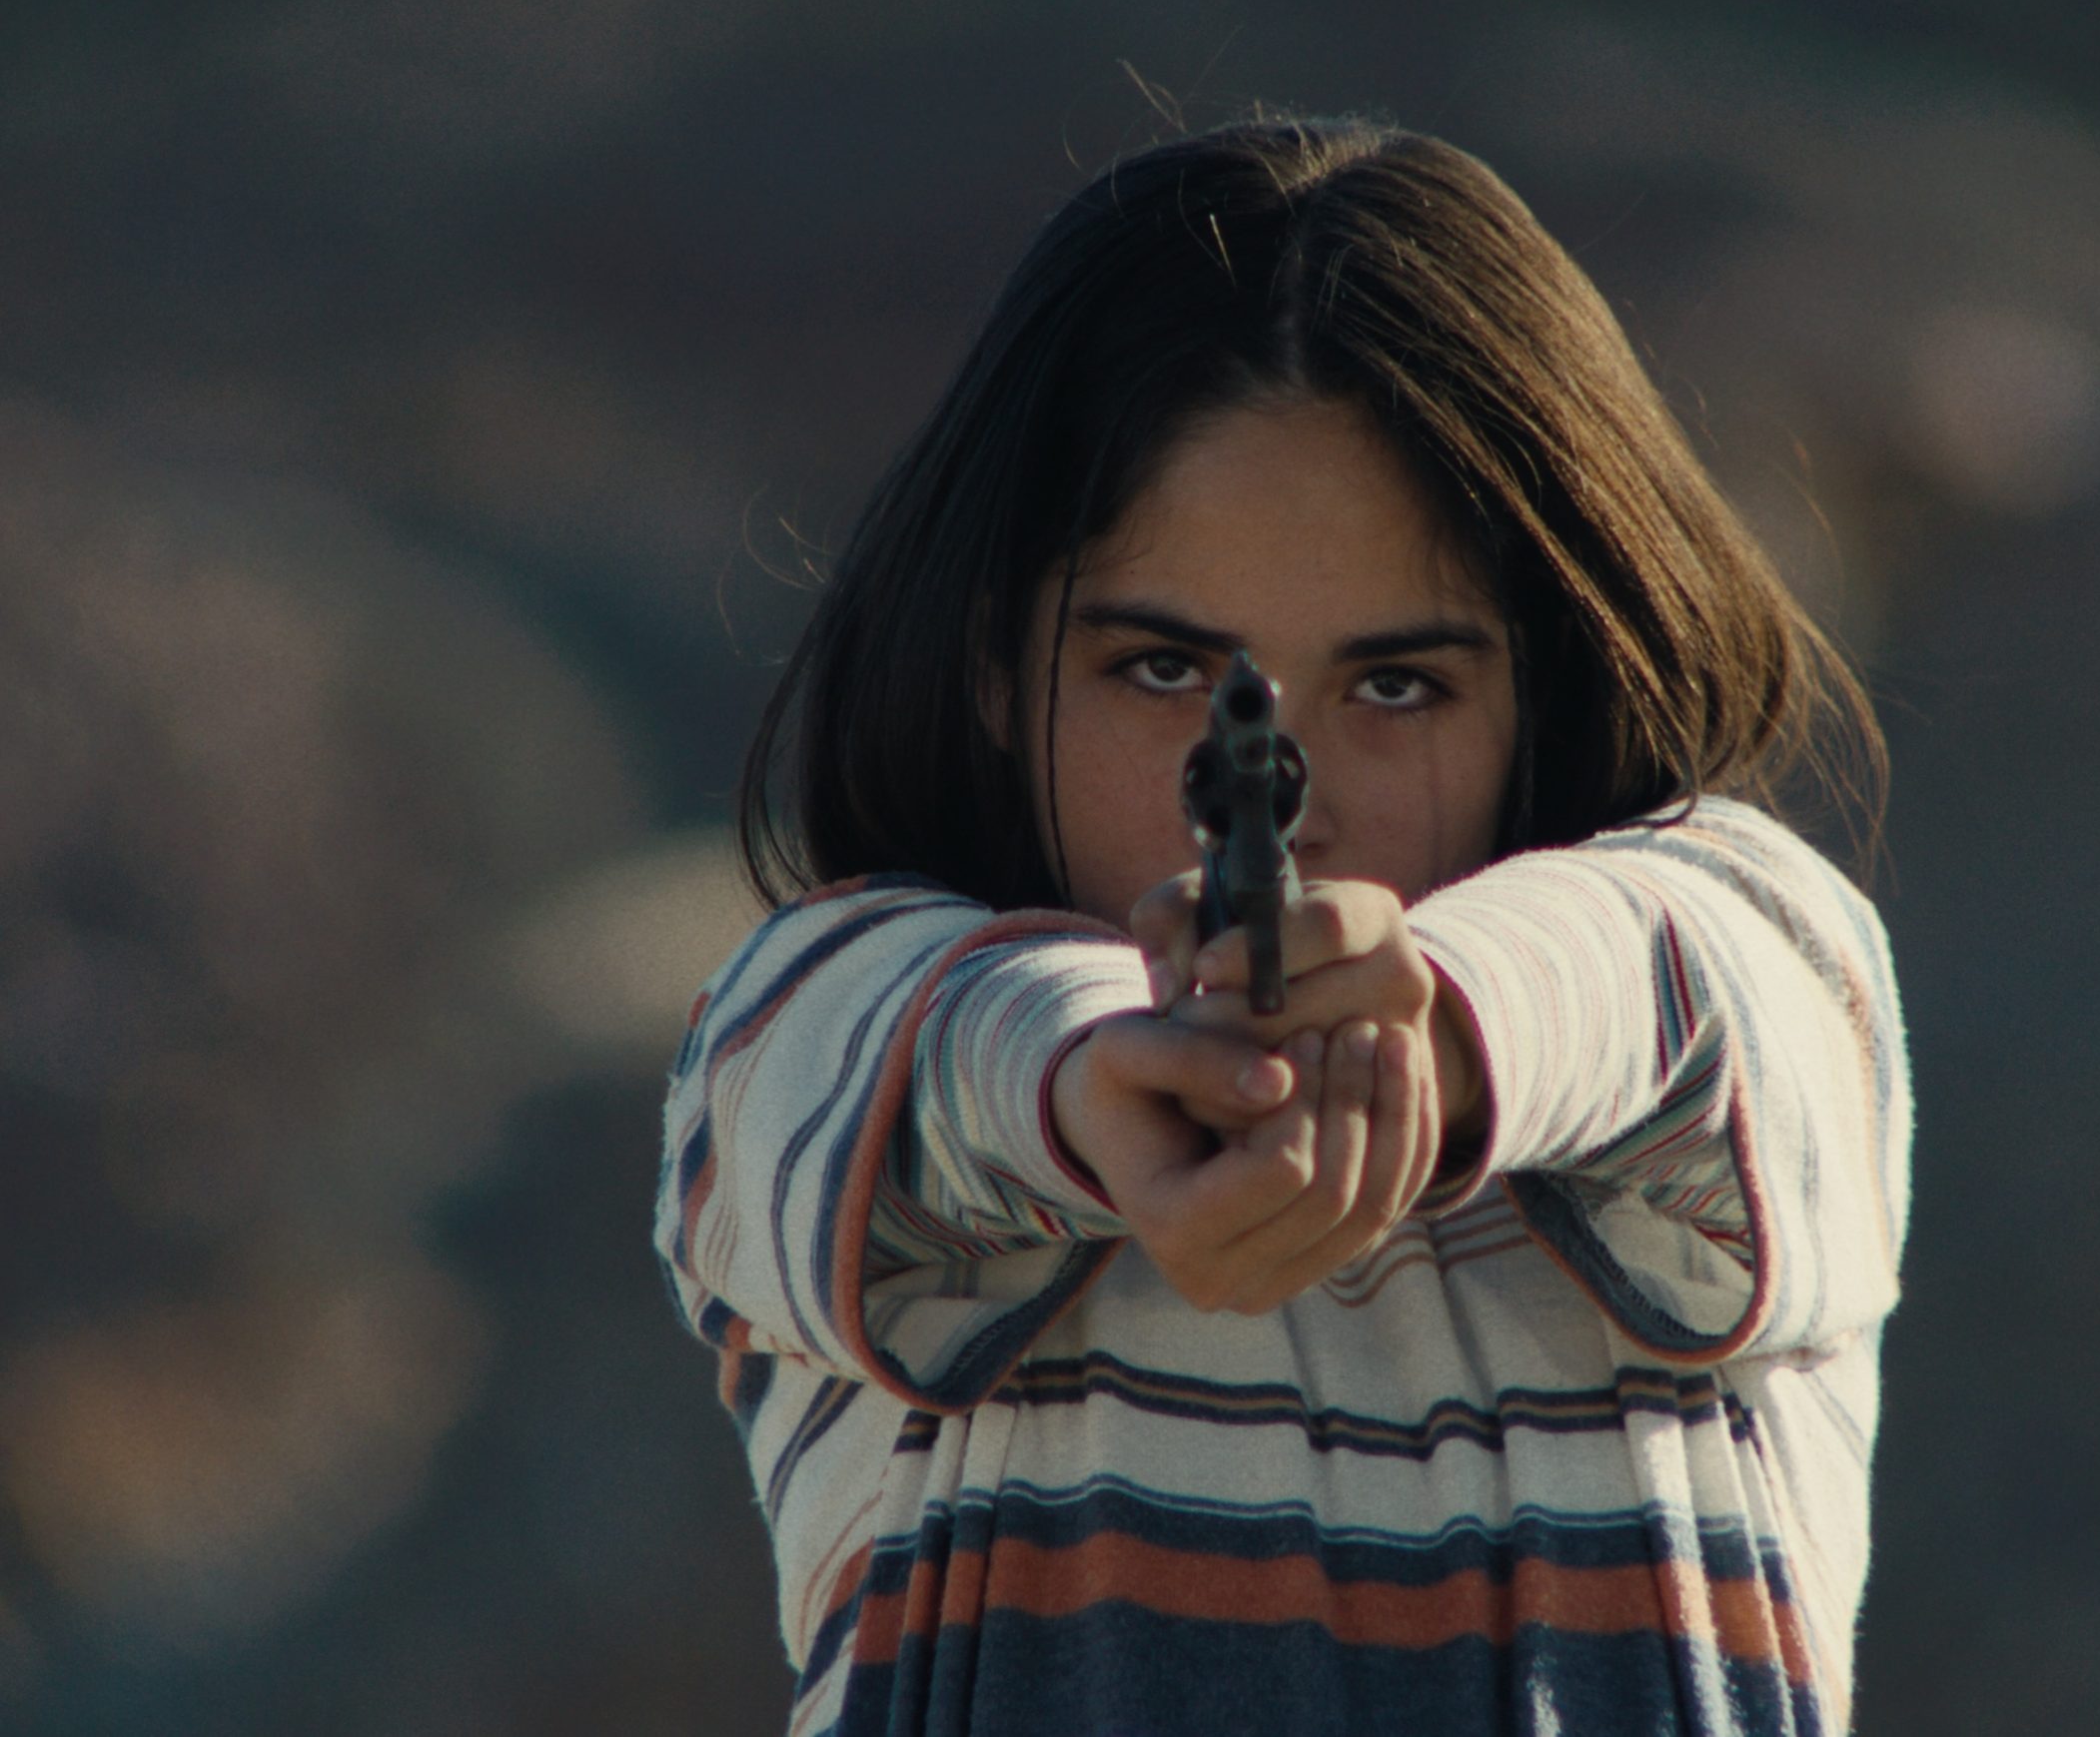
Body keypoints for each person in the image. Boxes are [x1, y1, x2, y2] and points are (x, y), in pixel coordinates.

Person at [655, 116, 1911, 1737]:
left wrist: (1447, 1026)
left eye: (1398, 684)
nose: (1283, 799)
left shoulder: (1753, 965)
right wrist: (1094, 1079)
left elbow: (1674, 973)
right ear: (991, 664)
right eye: (1160, 669)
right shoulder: (826, 1029)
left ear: (1546, 691)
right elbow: (891, 1059)